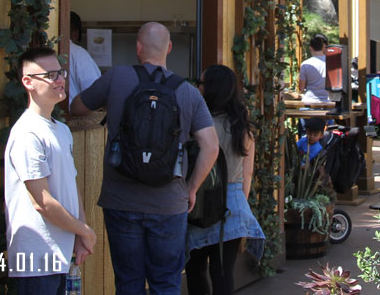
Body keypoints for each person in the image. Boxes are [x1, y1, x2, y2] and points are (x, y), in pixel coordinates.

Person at [71, 22, 218, 295]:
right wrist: (191, 188)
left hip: (121, 201)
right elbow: (210, 146)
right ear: (169, 48)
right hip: (170, 203)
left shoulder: (116, 78)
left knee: (128, 283)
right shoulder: (188, 92)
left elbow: (77, 107)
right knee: (165, 283)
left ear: (138, 48)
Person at [4, 47, 96, 294]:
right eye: (50, 75)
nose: (60, 80)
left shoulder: (61, 130)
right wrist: (84, 230)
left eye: (61, 72)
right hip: (36, 259)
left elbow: (70, 184)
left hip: (61, 256)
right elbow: (41, 201)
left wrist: (79, 234)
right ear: (28, 82)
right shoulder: (27, 132)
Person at [185, 64, 265, 295]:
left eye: (200, 83)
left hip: (199, 202)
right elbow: (248, 173)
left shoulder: (199, 125)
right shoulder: (241, 125)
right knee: (223, 273)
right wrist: (240, 202)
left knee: (195, 269)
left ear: (210, 89)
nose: (196, 87)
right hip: (233, 203)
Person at [67, 11, 102, 103]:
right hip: (73, 114)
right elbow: (96, 93)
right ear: (76, 33)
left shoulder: (42, 53)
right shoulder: (78, 53)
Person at [298, 34, 331, 104]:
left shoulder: (305, 64)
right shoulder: (332, 63)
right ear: (323, 47)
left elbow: (301, 88)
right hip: (328, 102)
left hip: (309, 101)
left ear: (310, 48)